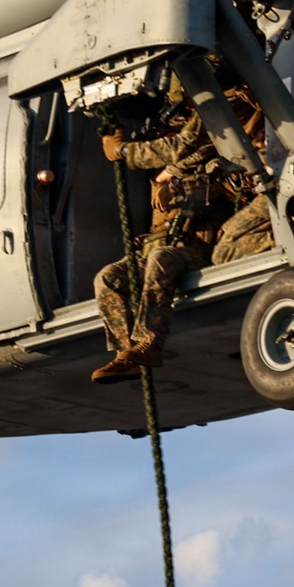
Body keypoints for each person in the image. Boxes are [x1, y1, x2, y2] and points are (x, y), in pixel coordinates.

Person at [91, 91, 231, 384]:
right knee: (108, 277)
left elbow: (188, 155)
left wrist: (124, 151)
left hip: (196, 246)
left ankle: (148, 343)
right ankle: (125, 352)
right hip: (159, 244)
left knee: (160, 259)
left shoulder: (212, 151)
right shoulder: (166, 170)